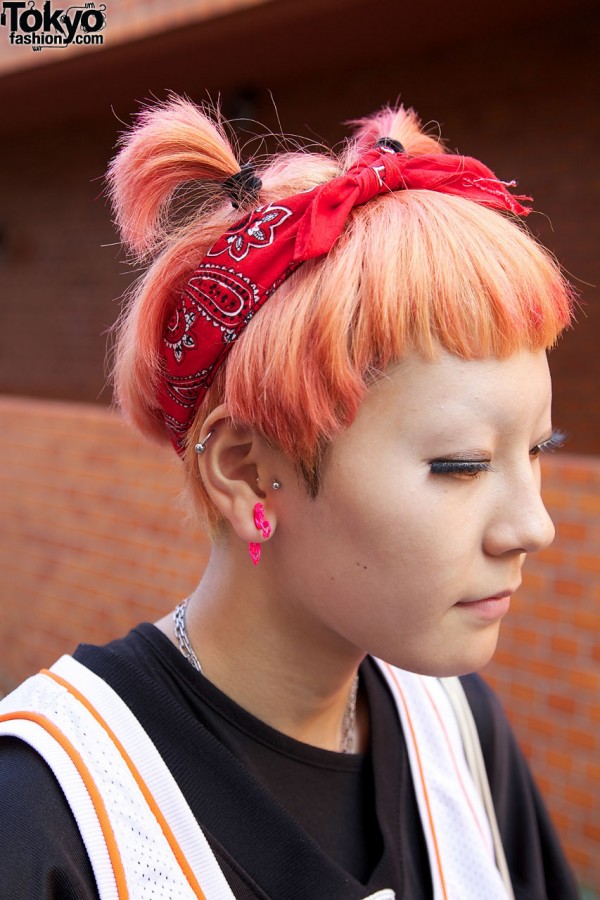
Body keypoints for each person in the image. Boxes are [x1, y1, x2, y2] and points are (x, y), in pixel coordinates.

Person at [0, 95, 580, 900]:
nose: (533, 526)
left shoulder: (457, 734)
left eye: (539, 451)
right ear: (241, 471)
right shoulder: (47, 816)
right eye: (461, 465)